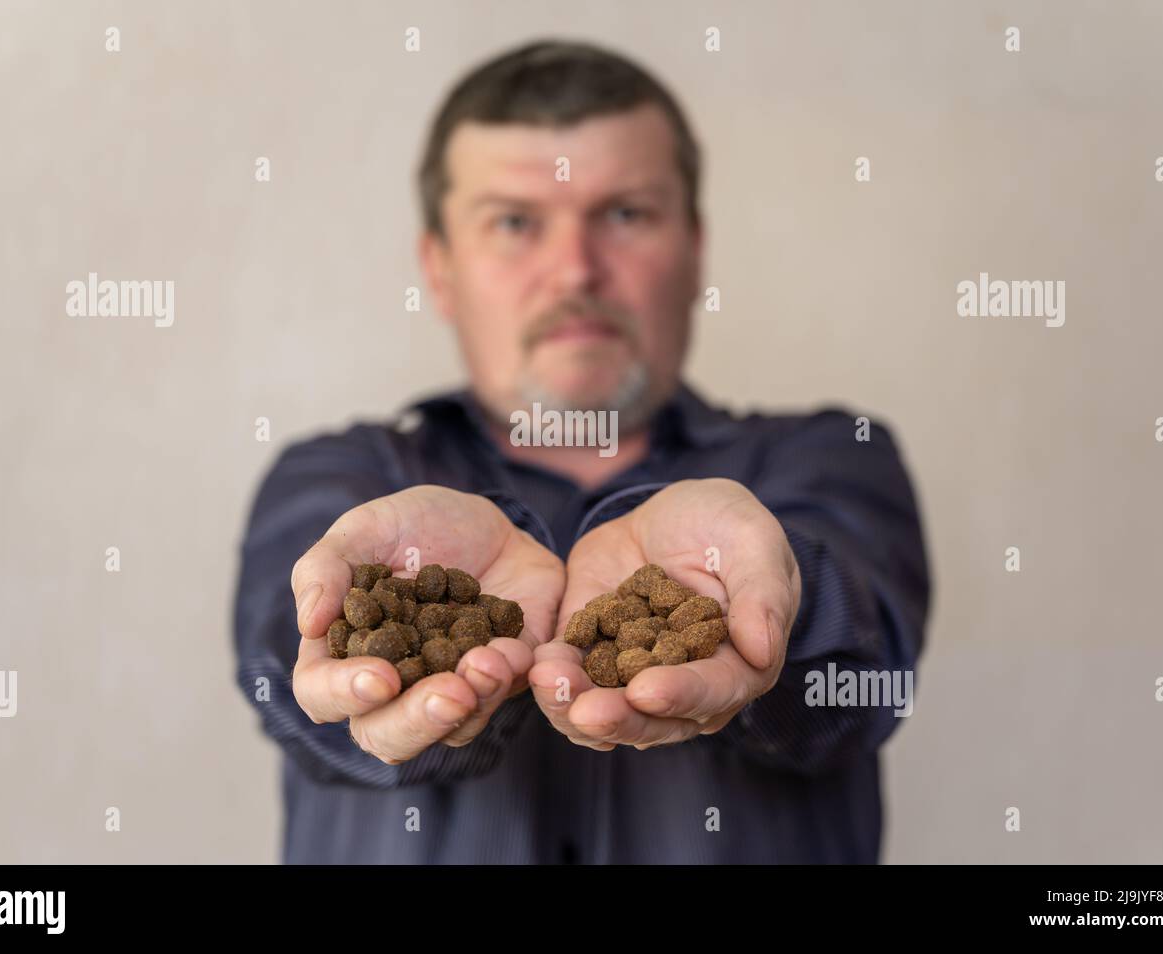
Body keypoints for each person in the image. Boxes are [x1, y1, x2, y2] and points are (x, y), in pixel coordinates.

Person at [232, 39, 930, 863]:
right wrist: (376, 694)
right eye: (516, 222)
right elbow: (285, 678)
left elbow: (862, 682)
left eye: (626, 213)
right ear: (440, 267)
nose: (575, 271)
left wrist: (776, 591)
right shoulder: (340, 479)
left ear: (696, 249)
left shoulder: (830, 459)